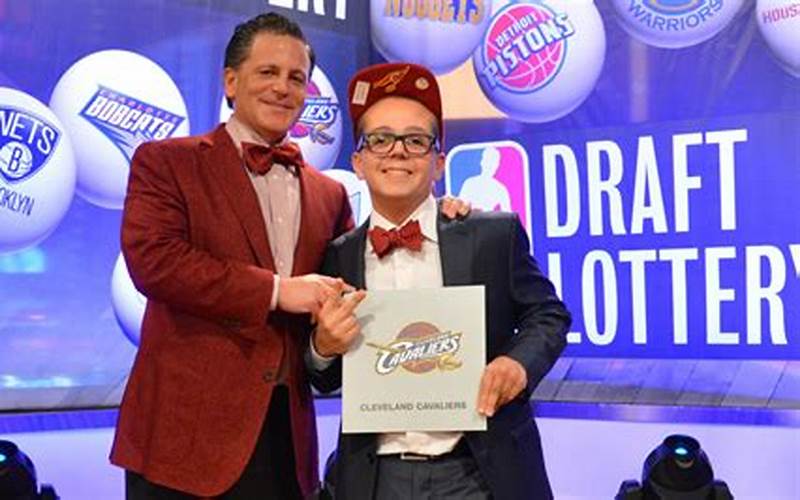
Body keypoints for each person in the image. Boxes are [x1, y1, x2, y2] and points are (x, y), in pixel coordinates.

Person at [307, 62, 572, 500]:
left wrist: (517, 364)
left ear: (439, 164)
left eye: (416, 140)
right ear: (358, 162)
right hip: (377, 477)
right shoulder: (338, 255)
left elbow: (548, 314)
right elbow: (324, 375)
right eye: (380, 139)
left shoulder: (492, 235)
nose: (398, 152)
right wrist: (322, 347)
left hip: (479, 472)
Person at [458, 145, 512, 211]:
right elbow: (459, 211)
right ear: (482, 162)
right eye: (488, 161)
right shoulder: (469, 183)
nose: (490, 166)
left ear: (497, 166)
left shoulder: (500, 189)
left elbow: (508, 214)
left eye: (494, 163)